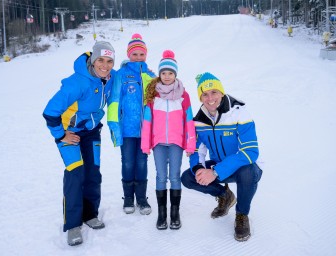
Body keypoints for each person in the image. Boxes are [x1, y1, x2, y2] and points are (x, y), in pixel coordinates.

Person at [42, 41, 116, 246]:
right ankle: (73, 224)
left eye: (109, 61)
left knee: (93, 172)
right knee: (76, 173)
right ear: (92, 60)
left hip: (91, 132)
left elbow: (129, 77)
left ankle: (90, 214)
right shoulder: (78, 83)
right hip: (70, 133)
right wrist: (60, 134)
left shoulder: (110, 78)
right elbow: (50, 111)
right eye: (101, 59)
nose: (105, 65)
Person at [181, 72, 263, 242]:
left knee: (247, 172)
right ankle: (225, 195)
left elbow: (250, 151)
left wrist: (216, 172)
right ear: (200, 97)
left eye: (214, 92)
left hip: (245, 167)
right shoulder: (199, 120)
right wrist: (199, 168)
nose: (210, 98)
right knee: (188, 177)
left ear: (221, 93)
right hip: (219, 165)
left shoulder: (238, 112)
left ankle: (242, 215)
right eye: (205, 94)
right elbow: (197, 150)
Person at [141, 50, 196, 230]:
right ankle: (162, 214)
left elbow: (189, 122)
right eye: (163, 73)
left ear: (175, 74)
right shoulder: (153, 95)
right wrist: (145, 143)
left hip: (176, 142)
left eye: (170, 73)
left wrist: (190, 144)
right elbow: (147, 122)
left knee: (174, 176)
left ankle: (175, 213)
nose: (166, 76)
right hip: (158, 143)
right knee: (160, 176)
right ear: (159, 74)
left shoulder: (183, 96)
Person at [107, 33, 155, 215]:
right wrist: (114, 127)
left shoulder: (150, 76)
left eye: (141, 54)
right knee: (127, 162)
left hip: (145, 130)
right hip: (127, 130)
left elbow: (156, 104)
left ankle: (141, 198)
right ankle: (128, 197)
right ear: (129, 55)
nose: (138, 57)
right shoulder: (121, 75)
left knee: (142, 163)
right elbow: (114, 102)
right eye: (134, 54)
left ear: (146, 55)